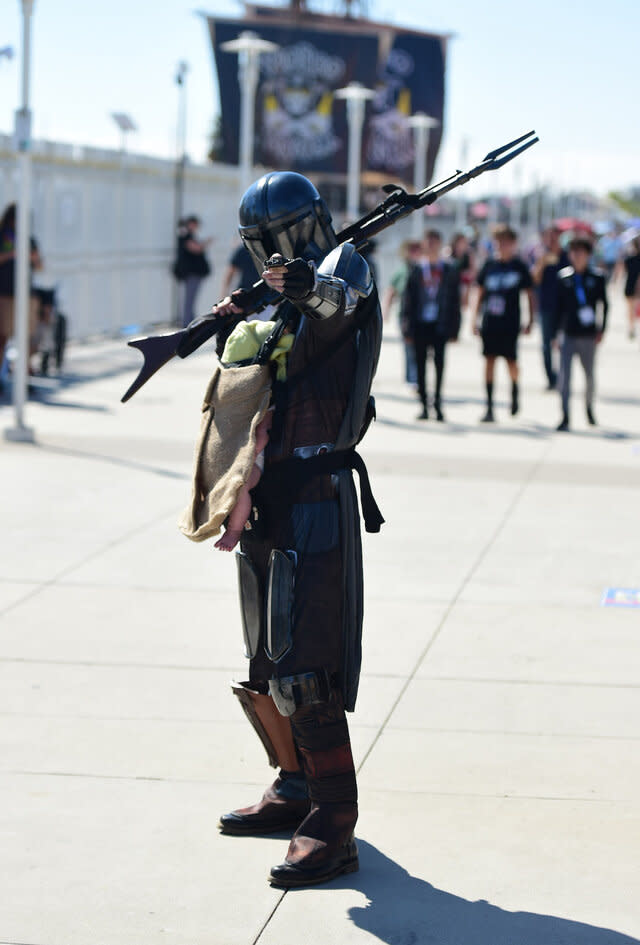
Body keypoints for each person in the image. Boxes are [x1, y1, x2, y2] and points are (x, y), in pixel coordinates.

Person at [183, 171, 383, 889]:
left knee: (306, 664)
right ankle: (293, 785)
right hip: (267, 488)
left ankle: (334, 817)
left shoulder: (345, 269)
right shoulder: (276, 292)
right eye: (263, 244)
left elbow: (338, 303)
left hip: (319, 490)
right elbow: (246, 360)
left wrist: (297, 284)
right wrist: (238, 316)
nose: (276, 251)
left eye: (283, 238)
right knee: (265, 660)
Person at [473, 224, 535, 423]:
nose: (501, 245)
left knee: (511, 362)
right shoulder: (489, 265)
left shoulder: (519, 266)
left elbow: (529, 294)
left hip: (510, 321)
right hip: (490, 320)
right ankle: (489, 406)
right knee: (489, 360)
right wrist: (473, 318)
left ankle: (515, 392)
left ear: (513, 244)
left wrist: (531, 319)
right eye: (498, 241)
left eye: (505, 241)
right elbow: (480, 292)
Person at [401, 229, 461, 421]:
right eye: (429, 242)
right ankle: (423, 404)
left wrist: (455, 327)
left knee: (439, 365)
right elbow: (407, 300)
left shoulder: (449, 269)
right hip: (420, 324)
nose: (432, 246)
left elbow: (455, 300)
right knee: (420, 365)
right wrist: (406, 326)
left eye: (435, 242)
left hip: (440, 323)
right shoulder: (417, 269)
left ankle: (438, 403)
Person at [553, 236, 608, 431]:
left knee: (589, 376)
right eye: (573, 252)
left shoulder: (597, 277)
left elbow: (605, 304)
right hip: (568, 333)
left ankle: (589, 408)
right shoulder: (563, 277)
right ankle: (565, 415)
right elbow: (556, 308)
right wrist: (554, 334)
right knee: (565, 377)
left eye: (581, 252)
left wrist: (602, 329)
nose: (577, 256)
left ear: (588, 255)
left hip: (588, 335)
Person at [0, 202, 42, 386]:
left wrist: (32, 258)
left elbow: (39, 266)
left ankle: (24, 378)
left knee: (27, 338)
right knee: (2, 337)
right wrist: (11, 254)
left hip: (26, 295)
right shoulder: (3, 238)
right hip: (5, 294)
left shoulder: (29, 239)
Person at [531, 225, 569, 389]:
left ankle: (563, 376)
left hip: (564, 307)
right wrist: (541, 263)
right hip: (546, 306)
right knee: (546, 345)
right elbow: (535, 281)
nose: (551, 241)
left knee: (563, 343)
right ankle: (551, 378)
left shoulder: (566, 256)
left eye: (554, 237)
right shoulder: (541, 256)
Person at [381, 239, 422, 385]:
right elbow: (391, 292)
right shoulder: (402, 271)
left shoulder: (422, 269)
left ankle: (417, 377)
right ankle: (412, 378)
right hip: (405, 316)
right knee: (409, 347)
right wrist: (386, 311)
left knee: (420, 348)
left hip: (421, 315)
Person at [175, 215, 213, 328]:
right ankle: (187, 323)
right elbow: (196, 249)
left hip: (194, 273)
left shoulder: (189, 235)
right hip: (191, 273)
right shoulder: (185, 236)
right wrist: (206, 243)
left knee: (191, 299)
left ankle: (190, 321)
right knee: (189, 299)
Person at [623, 236, 640, 340]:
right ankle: (632, 327)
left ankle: (631, 327)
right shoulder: (629, 259)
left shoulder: (628, 259)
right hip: (635, 286)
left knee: (630, 309)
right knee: (632, 309)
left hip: (630, 285)